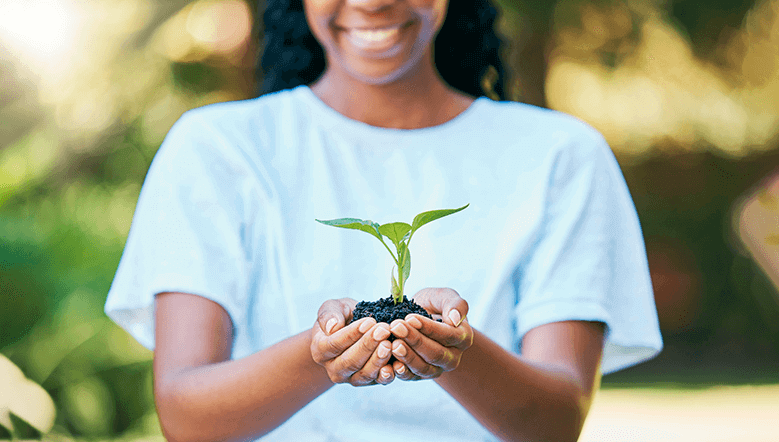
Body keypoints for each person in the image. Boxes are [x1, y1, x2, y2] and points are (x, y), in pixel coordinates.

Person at [104, 0, 663, 440]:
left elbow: (558, 421)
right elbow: (185, 416)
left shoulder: (561, 155)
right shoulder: (216, 149)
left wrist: (456, 351)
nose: (371, 1)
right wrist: (320, 354)